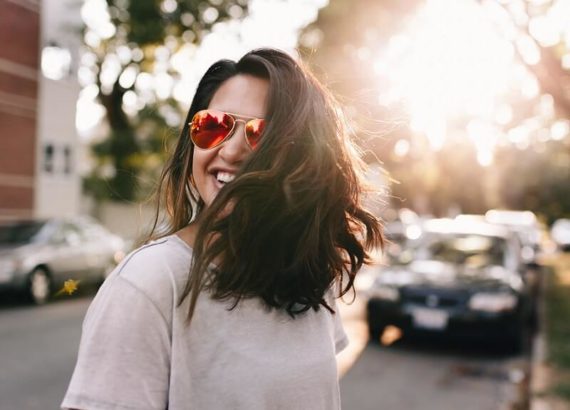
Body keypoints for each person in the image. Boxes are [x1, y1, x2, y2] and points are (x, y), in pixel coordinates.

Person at [62, 48, 383, 410]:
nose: (230, 151)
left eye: (260, 135)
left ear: (304, 158)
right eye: (214, 126)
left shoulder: (309, 274)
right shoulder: (149, 282)